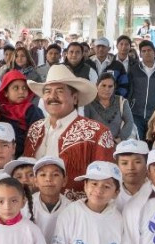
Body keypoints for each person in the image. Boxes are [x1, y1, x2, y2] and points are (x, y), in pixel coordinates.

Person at [24, 65, 115, 200]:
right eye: (47, 91)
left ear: (75, 98)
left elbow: (107, 183)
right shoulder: (35, 129)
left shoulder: (97, 133)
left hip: (78, 214)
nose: (52, 96)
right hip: (34, 210)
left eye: (60, 91)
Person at [127, 40, 155, 136]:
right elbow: (129, 90)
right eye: (143, 51)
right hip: (136, 114)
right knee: (138, 141)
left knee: (151, 142)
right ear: (140, 54)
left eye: (149, 50)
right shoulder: (134, 70)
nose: (147, 53)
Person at [0, 70, 44, 157]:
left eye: (24, 88)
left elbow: (37, 135)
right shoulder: (0, 110)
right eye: (16, 88)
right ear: (6, 93)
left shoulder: (31, 110)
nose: (21, 91)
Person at [83, 72, 136, 143]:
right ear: (96, 85)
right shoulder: (89, 102)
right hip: (94, 145)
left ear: (114, 87)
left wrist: (120, 139)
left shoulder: (121, 102)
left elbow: (129, 121)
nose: (107, 89)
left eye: (110, 86)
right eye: (103, 85)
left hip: (116, 146)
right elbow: (85, 125)